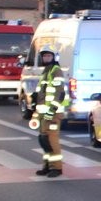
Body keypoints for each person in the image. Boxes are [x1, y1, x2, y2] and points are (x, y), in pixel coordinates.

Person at [32, 47, 69, 177]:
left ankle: (57, 168)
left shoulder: (56, 70)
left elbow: (59, 93)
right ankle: (47, 166)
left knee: (52, 141)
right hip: (44, 113)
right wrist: (35, 98)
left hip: (53, 113)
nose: (46, 58)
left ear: (54, 57)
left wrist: (51, 110)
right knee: (44, 140)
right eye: (44, 56)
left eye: (49, 56)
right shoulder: (46, 71)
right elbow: (43, 91)